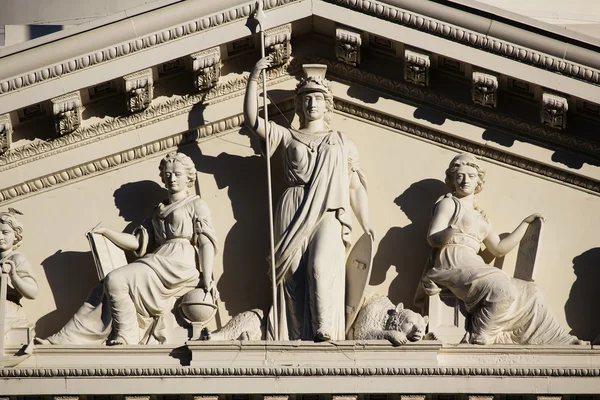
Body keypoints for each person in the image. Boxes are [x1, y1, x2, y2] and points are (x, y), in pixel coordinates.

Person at [244, 57, 373, 341]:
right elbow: (253, 122)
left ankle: (323, 327)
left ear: (328, 104)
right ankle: (295, 336)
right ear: (299, 105)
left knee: (319, 266)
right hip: (291, 208)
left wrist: (366, 225)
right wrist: (253, 79)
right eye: (306, 99)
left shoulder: (341, 142)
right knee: (293, 278)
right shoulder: (287, 136)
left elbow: (353, 187)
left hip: (328, 210)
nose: (312, 104)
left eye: (317, 98)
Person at [37, 152, 218, 345]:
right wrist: (107, 233)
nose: (172, 178)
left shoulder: (196, 205)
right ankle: (66, 339)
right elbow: (137, 242)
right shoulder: (159, 211)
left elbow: (205, 242)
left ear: (189, 177)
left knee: (116, 279)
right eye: (168, 174)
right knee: (101, 290)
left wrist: (206, 277)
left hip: (179, 265)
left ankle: (126, 336)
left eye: (177, 174)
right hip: (158, 260)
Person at [417, 153, 586, 345]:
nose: (465, 181)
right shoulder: (448, 203)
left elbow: (498, 248)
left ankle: (557, 340)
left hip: (473, 263)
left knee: (532, 291)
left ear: (478, 180)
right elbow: (432, 238)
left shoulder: (481, 216)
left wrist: (524, 225)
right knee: (502, 288)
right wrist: (449, 231)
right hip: (453, 262)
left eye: (471, 176)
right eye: (460, 176)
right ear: (452, 179)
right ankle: (480, 334)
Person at [0, 208, 38, 338]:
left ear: (15, 235)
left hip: (7, 310)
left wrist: (13, 276)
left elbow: (32, 293)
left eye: (5, 232)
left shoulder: (16, 258)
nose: (0, 237)